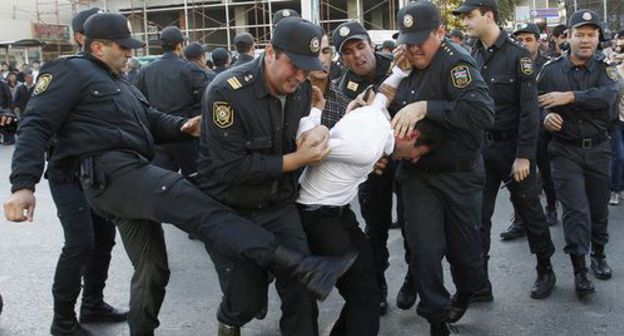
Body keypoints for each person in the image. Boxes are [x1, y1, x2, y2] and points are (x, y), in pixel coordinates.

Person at [4, 13, 356, 336]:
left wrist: (184, 127)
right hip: (113, 173)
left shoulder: (121, 83)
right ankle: (294, 263)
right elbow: (35, 124)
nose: (130, 54)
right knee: (194, 203)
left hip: (134, 179)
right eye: (124, 47)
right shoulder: (68, 72)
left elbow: (149, 122)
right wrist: (23, 185)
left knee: (153, 269)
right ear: (97, 46)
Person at [196, 17, 343, 336]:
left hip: (279, 205)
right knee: (246, 300)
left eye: (308, 68)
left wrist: (314, 130)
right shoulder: (226, 92)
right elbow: (232, 169)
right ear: (271, 52)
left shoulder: (302, 89)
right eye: (295, 66)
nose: (301, 76)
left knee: (302, 288)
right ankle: (229, 319)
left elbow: (302, 131)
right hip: (231, 209)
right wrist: (296, 159)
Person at [389, 2, 495, 333]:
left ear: (440, 33)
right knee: (424, 250)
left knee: (466, 255)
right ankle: (435, 316)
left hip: (459, 174)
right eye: (408, 40)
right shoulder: (405, 63)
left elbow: (481, 114)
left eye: (421, 40)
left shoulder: (456, 64)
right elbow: (393, 109)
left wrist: (427, 107)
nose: (414, 47)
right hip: (419, 176)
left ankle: (465, 292)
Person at [453, 0, 557, 303]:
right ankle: (480, 283)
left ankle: (545, 268)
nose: (465, 22)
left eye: (470, 16)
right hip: (480, 149)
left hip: (513, 147)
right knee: (478, 217)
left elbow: (529, 111)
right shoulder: (469, 55)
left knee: (530, 210)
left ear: (488, 16)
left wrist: (525, 155)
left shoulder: (518, 56)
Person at [332, 20, 414, 314]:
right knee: (374, 229)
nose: (357, 55)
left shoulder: (399, 63)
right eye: (348, 52)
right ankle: (378, 285)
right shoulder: (345, 86)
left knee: (412, 224)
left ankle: (412, 278)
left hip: (407, 159)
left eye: (360, 46)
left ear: (371, 45)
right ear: (342, 59)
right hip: (375, 166)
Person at [539, 9, 619, 297]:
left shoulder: (605, 68)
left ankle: (598, 252)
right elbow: (535, 106)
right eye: (580, 35)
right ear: (568, 37)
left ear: (598, 38)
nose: (586, 40)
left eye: (592, 35)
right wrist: (546, 118)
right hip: (564, 151)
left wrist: (571, 97)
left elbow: (609, 95)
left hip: (599, 148)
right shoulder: (550, 70)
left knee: (598, 209)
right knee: (575, 211)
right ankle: (580, 269)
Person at [500, 23, 558, 241]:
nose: (524, 44)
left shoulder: (548, 66)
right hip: (518, 130)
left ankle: (551, 205)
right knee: (516, 180)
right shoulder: (510, 64)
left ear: (538, 41)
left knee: (546, 172)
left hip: (543, 129)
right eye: (520, 40)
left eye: (528, 39)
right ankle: (519, 220)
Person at [134, 27, 209, 177]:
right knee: (195, 179)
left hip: (158, 135)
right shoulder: (190, 69)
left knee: (160, 182)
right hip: (185, 131)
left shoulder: (145, 71)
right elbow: (205, 99)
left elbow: (137, 101)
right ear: (179, 45)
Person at [308, 34, 351, 129]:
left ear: (331, 55)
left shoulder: (342, 104)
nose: (321, 60)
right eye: (314, 52)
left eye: (325, 51)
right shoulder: (289, 97)